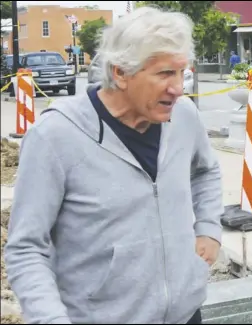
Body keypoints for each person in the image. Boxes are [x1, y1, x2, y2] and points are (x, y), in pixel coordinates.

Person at [5, 6, 225, 324]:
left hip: (185, 315)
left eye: (182, 73)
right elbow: (25, 247)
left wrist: (208, 229)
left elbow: (206, 170)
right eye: (165, 73)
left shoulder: (184, 116)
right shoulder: (55, 136)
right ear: (120, 73)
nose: (178, 87)